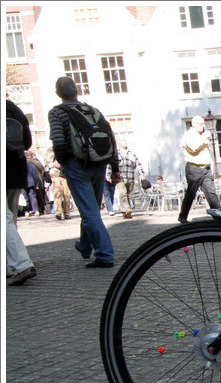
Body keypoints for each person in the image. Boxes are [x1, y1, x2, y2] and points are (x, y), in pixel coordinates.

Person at [48, 76, 120, 268]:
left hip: (76, 164)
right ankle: (85, 245)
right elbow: (110, 137)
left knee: (89, 212)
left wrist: (65, 163)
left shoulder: (57, 113)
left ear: (58, 94)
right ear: (76, 91)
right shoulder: (92, 110)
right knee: (92, 209)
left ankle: (105, 254)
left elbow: (59, 142)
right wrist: (115, 167)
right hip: (99, 161)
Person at [5, 99, 37, 285]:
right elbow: (27, 143)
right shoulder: (14, 109)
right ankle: (10, 264)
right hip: (17, 168)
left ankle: (20, 263)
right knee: (10, 217)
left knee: (5, 218)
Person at [178, 115, 221, 224]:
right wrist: (203, 139)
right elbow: (193, 148)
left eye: (203, 124)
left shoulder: (199, 135)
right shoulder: (189, 135)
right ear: (193, 124)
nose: (203, 126)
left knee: (211, 193)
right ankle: (182, 216)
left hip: (205, 169)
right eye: (201, 124)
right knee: (191, 194)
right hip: (194, 169)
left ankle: (219, 215)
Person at [107, 139, 146, 219]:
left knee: (128, 195)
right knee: (122, 193)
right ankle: (128, 210)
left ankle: (124, 211)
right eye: (122, 140)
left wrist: (142, 174)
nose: (125, 142)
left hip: (130, 177)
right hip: (119, 177)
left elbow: (138, 164)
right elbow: (110, 165)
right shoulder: (116, 154)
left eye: (125, 140)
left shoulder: (131, 153)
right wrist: (108, 175)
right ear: (119, 143)